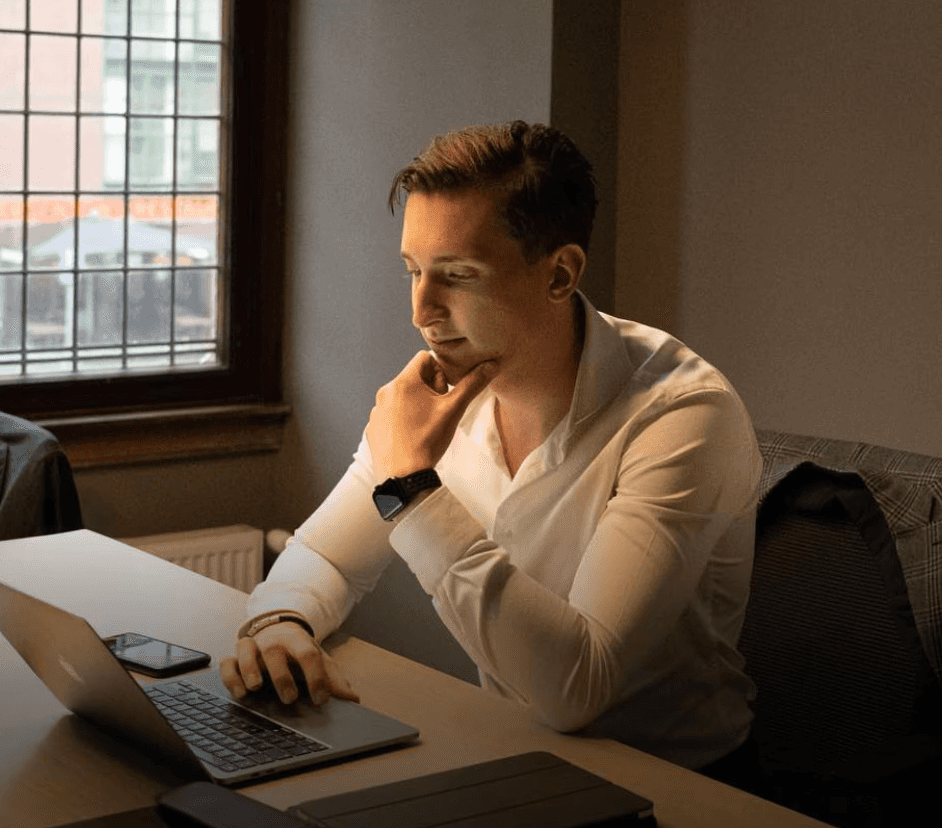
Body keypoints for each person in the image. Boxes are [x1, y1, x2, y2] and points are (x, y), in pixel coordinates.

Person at [219, 121, 762, 780]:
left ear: (560, 273)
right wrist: (279, 622)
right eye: (414, 271)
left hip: (677, 787)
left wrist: (412, 490)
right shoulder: (440, 391)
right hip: (514, 758)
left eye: (458, 275)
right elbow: (327, 555)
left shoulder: (683, 417)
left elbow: (577, 687)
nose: (422, 309)